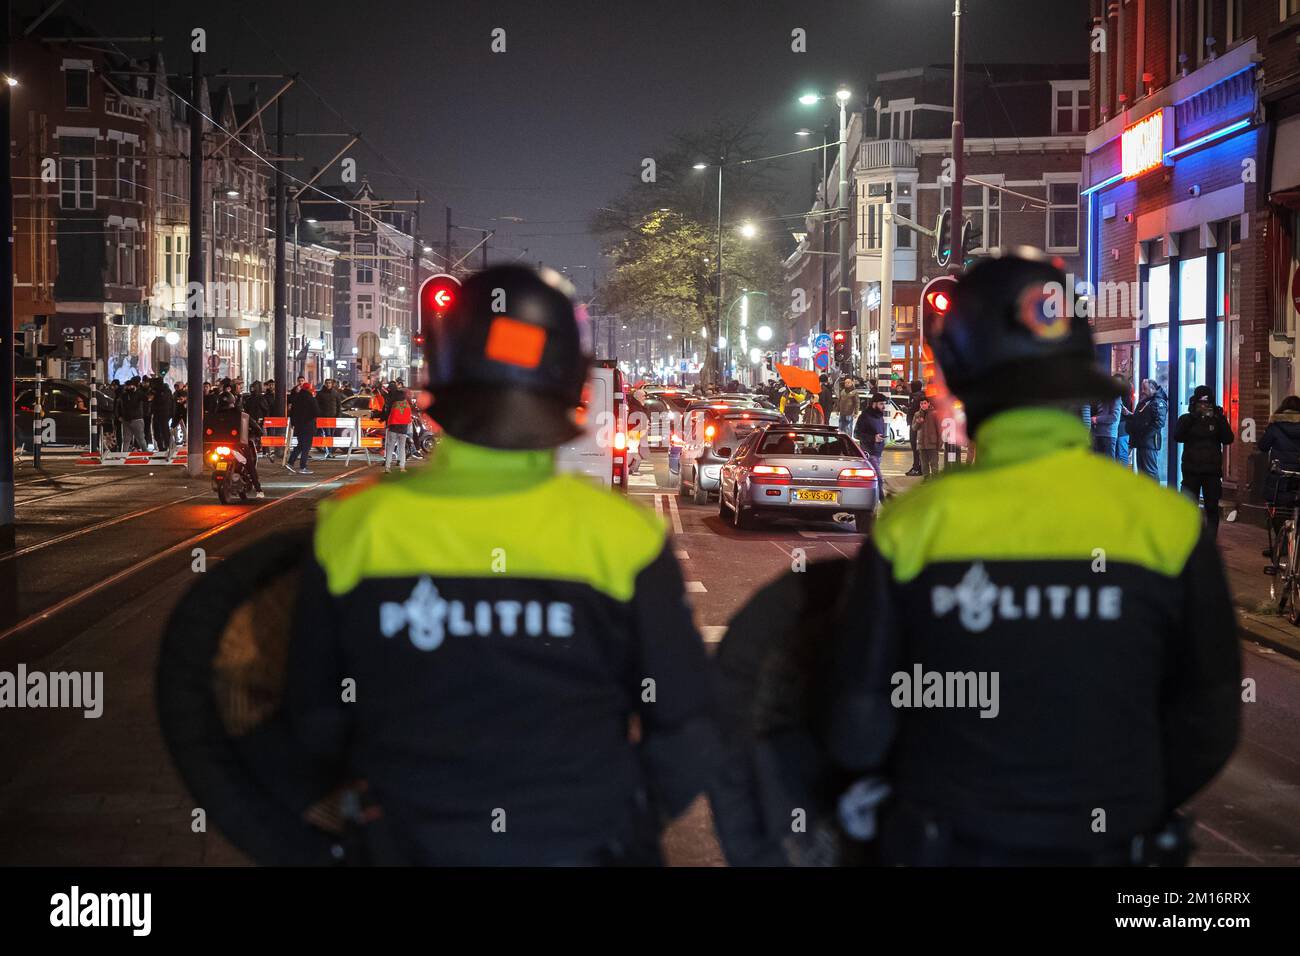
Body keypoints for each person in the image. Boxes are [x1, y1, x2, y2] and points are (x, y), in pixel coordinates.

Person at [282, 265, 719, 865]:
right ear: (573, 381)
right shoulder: (625, 539)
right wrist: (618, 822)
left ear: (441, 368)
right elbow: (687, 728)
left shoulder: (351, 527)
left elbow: (311, 723)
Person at [820, 251, 1238, 866]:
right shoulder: (1169, 527)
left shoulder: (913, 530)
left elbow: (856, 722)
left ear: (960, 376)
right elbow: (1211, 719)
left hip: (952, 847)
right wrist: (1119, 805)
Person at [1174, 385, 1234, 537]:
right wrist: (1193, 417)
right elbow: (1178, 436)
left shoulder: (1217, 419)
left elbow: (1228, 438)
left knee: (1211, 507)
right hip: (1191, 470)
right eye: (1201, 403)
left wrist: (1220, 419)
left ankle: (1210, 540)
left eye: (1207, 404)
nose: (1204, 407)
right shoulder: (1187, 419)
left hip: (1211, 471)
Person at [206, 392, 265, 498]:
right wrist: (259, 432)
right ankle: (258, 489)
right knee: (249, 463)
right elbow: (254, 426)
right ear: (232, 402)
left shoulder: (213, 414)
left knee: (212, 458)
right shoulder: (239, 414)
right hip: (236, 445)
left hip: (217, 445)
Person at [1126, 379, 1167, 480]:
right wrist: (1129, 415)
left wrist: (1145, 435)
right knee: (1143, 472)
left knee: (1149, 472)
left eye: (1145, 389)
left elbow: (1159, 423)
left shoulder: (1158, 402)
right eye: (1142, 388)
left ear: (1152, 389)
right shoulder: (1146, 402)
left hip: (1149, 443)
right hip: (1142, 442)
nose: (1142, 391)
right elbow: (1139, 418)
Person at [853, 392, 889, 499]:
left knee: (873, 480)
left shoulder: (880, 417)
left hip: (878, 453)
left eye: (884, 404)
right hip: (869, 453)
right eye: (881, 404)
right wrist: (873, 438)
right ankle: (884, 503)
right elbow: (857, 434)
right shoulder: (865, 416)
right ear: (874, 404)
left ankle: (870, 500)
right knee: (878, 479)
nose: (884, 407)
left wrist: (880, 438)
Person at [287, 381, 320, 474]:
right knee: (306, 447)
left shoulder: (297, 398)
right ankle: (303, 466)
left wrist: (294, 423)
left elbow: (292, 412)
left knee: (300, 445)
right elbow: (317, 412)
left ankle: (290, 463)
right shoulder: (311, 399)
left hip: (298, 426)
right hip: (308, 426)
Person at [380, 379, 413, 473]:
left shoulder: (393, 404)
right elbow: (409, 419)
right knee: (402, 448)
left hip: (393, 428)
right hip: (403, 429)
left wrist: (387, 424)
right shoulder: (407, 405)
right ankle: (402, 467)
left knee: (390, 447)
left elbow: (390, 417)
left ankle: (387, 467)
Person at [914, 396, 943, 478]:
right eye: (921, 403)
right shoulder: (917, 414)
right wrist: (918, 422)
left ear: (929, 403)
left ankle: (934, 480)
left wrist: (940, 443)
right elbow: (914, 428)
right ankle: (926, 479)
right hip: (921, 444)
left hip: (932, 443)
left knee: (934, 463)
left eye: (925, 403)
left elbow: (939, 430)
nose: (923, 405)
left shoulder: (935, 414)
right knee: (924, 464)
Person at [115, 379, 147, 453]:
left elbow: (146, 399)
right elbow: (119, 406)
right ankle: (123, 456)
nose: (128, 387)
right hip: (126, 420)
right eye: (127, 386)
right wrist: (119, 416)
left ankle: (146, 454)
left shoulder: (138, 394)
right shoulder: (123, 395)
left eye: (129, 386)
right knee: (126, 439)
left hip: (137, 420)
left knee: (140, 439)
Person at [1090, 388, 1121, 458]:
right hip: (1098, 434)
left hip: (1108, 435)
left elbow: (1114, 417)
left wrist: (1096, 419)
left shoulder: (1115, 396)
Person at [316, 379, 343, 459]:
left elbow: (339, 406)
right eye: (327, 383)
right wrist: (320, 415)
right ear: (325, 384)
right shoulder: (320, 394)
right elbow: (316, 405)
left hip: (333, 418)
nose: (328, 384)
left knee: (331, 434)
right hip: (324, 418)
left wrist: (338, 416)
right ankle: (328, 452)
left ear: (332, 384)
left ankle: (329, 451)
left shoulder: (335, 393)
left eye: (330, 383)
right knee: (327, 434)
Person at [151, 378, 175, 456]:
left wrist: (171, 414)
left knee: (165, 431)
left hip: (164, 414)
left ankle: (168, 448)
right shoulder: (155, 391)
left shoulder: (165, 391)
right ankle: (161, 448)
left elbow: (164, 401)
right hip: (156, 414)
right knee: (157, 432)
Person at [905, 380, 924, 476]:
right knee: (918, 448)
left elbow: (912, 410)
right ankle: (918, 467)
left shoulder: (915, 397)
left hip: (915, 425)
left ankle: (917, 467)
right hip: (918, 425)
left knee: (915, 447)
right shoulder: (922, 396)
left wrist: (907, 410)